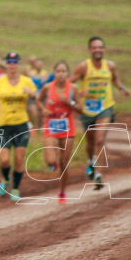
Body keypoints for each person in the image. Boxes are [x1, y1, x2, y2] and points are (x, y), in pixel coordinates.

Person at [70, 36, 131, 190]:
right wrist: (80, 92)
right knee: (90, 143)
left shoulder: (109, 66)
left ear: (103, 49)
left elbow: (115, 79)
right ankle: (90, 161)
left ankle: (98, 174)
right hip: (88, 109)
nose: (97, 50)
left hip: (105, 107)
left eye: (100, 47)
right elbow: (70, 84)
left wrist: (122, 88)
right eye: (94, 48)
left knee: (99, 139)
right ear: (90, 50)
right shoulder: (83, 67)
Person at [0, 51, 36, 202]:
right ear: (6, 64)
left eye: (15, 63)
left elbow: (37, 97)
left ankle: (16, 188)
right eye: (10, 63)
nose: (12, 65)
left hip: (21, 124)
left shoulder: (27, 81)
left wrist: (31, 94)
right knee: (4, 160)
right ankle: (6, 179)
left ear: (19, 65)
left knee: (19, 159)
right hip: (3, 125)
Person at [37, 61, 81, 203]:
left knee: (64, 162)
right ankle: (53, 162)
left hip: (68, 128)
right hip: (51, 127)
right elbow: (38, 101)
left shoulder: (73, 88)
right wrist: (43, 109)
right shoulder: (48, 87)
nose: (61, 74)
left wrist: (70, 103)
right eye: (58, 71)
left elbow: (81, 109)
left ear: (68, 73)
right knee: (50, 161)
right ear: (54, 73)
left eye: (63, 71)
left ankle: (62, 192)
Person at [27, 57, 50, 136]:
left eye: (41, 64)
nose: (39, 65)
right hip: (32, 96)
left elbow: (45, 84)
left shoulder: (45, 73)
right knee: (34, 113)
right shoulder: (30, 73)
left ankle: (39, 129)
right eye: (38, 64)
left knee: (41, 113)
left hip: (42, 96)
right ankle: (34, 128)